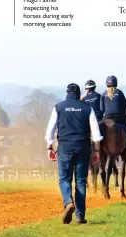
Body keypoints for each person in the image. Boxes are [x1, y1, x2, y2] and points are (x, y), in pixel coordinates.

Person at [44, 83, 103, 224]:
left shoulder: (58, 107)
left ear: (67, 93)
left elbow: (50, 130)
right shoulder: (87, 108)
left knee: (64, 179)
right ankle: (80, 216)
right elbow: (95, 132)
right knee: (81, 181)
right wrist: (97, 151)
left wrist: (49, 148)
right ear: (78, 93)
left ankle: (69, 202)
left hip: (65, 146)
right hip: (83, 147)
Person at [100, 75, 126, 151]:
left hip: (107, 117)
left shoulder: (103, 94)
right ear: (116, 83)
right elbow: (125, 105)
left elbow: (102, 109)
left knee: (99, 127)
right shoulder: (119, 92)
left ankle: (96, 145)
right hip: (118, 117)